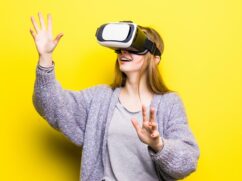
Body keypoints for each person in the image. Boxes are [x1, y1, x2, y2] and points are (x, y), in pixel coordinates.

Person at [30, 12, 200, 181]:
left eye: (134, 48)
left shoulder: (169, 104)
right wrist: (45, 57)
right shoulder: (99, 98)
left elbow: (187, 162)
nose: (124, 53)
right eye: (120, 49)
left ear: (155, 59)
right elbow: (51, 105)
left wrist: (158, 144)